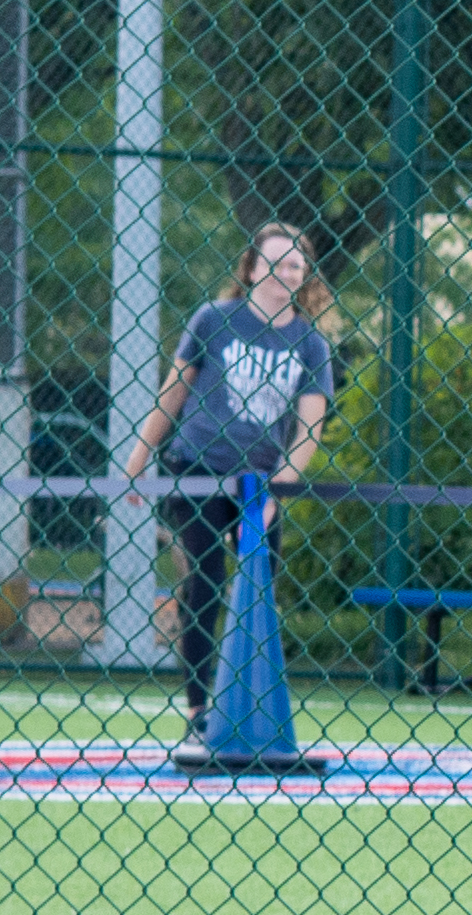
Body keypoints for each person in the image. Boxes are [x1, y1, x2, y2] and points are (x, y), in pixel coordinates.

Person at [125, 222, 338, 725]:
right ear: (251, 267)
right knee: (206, 579)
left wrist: (273, 497)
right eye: (275, 262)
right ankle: (200, 706)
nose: (285, 272)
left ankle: (248, 701)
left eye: (295, 265)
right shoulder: (214, 320)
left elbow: (308, 431)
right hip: (196, 468)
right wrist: (137, 462)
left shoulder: (310, 345)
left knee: (258, 585)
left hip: (258, 483)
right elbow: (173, 393)